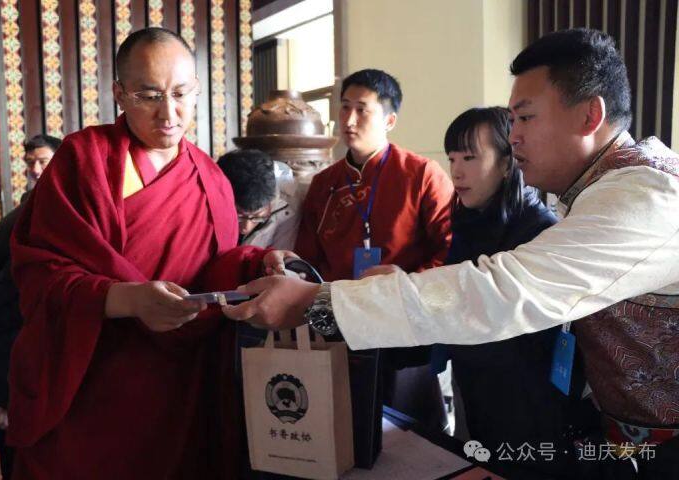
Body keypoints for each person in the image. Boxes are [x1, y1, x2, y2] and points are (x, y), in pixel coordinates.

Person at [224, 29, 679, 478]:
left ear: (589, 116)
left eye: (525, 118)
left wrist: (318, 303)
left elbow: (501, 290)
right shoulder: (598, 190)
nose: (514, 137)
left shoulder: (646, 195)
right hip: (615, 438)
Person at [5, 28, 282, 479]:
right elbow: (40, 276)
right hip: (95, 381)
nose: (168, 113)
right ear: (119, 94)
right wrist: (126, 299)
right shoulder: (85, 160)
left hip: (180, 385)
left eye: (181, 94)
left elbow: (214, 268)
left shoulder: (210, 177)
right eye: (149, 96)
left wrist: (255, 263)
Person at [439, 106, 589, 478]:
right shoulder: (469, 221)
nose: (456, 171)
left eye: (470, 158)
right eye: (452, 159)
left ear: (507, 164)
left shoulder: (539, 233)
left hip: (529, 405)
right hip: (478, 389)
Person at [0, 134, 60, 479]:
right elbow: (1, 315)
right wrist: (6, 396)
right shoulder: (30, 223)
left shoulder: (39, 215)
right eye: (31, 162)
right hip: (5, 374)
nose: (36, 169)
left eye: (43, 161)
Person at [295, 68, 453, 281]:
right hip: (334, 296)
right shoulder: (323, 182)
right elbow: (306, 261)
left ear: (389, 121)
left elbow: (450, 249)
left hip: (401, 296)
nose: (349, 120)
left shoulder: (422, 174)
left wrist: (407, 281)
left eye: (362, 110)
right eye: (345, 107)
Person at [217, 149, 300, 250]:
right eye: (238, 216)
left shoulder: (287, 209)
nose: (245, 228)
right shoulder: (209, 196)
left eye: (257, 217)